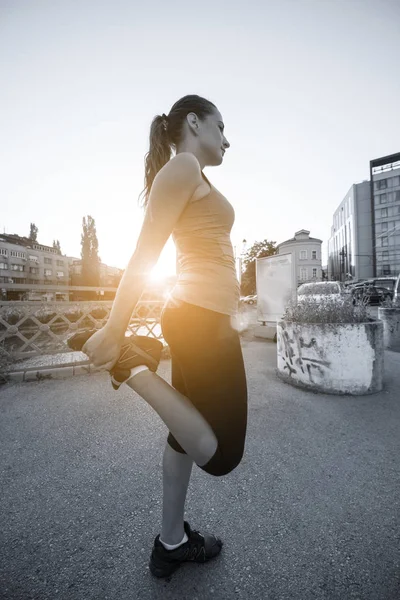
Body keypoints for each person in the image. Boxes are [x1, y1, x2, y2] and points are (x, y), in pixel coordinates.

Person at [80, 94, 248, 578]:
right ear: (194, 122)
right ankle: (129, 363)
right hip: (202, 320)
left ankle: (170, 542)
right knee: (222, 455)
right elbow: (143, 255)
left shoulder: (193, 174)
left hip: (200, 316)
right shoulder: (182, 169)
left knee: (182, 436)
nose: (228, 138)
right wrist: (115, 331)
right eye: (221, 126)